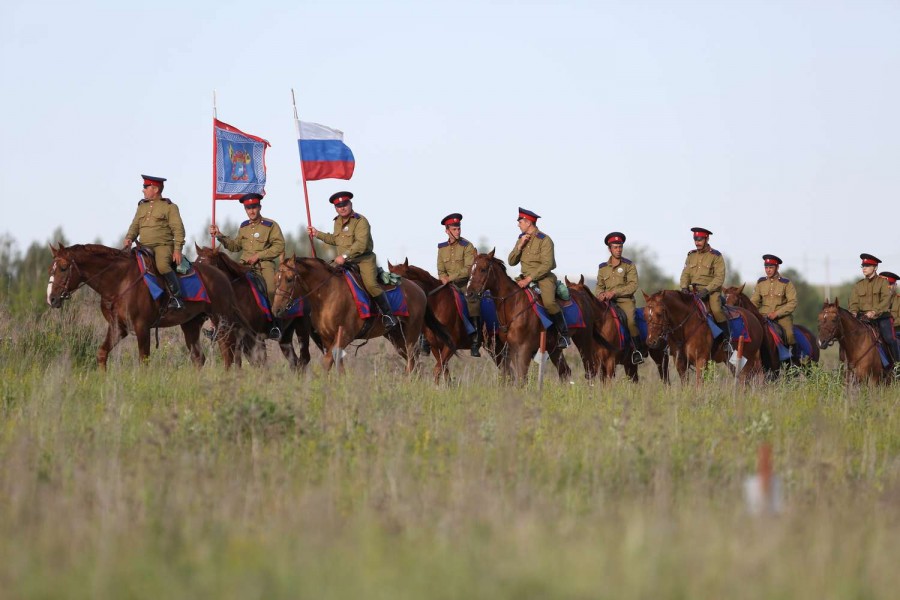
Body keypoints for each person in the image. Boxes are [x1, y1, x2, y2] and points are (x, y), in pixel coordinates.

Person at [309, 191, 398, 329]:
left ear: (350, 204)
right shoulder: (337, 222)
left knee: (370, 284)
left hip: (363, 260)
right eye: (339, 206)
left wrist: (344, 256)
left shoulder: (361, 221)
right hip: (345, 263)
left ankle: (388, 315)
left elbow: (361, 244)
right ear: (335, 208)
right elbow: (335, 239)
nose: (342, 208)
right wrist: (317, 234)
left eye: (345, 204)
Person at [210, 193, 286, 339]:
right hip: (243, 266)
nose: (251, 211)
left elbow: (279, 245)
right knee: (225, 286)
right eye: (248, 208)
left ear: (259, 207)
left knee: (271, 289)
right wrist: (220, 235)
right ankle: (218, 325)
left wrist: (259, 255)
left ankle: (275, 325)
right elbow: (235, 246)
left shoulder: (270, 225)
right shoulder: (243, 227)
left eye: (254, 207)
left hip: (264, 266)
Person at [507, 207, 570, 348]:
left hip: (544, 278)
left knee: (549, 303)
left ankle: (564, 335)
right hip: (522, 278)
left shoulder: (545, 240)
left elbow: (548, 264)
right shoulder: (521, 239)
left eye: (520, 222)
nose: (518, 224)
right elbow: (511, 262)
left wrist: (529, 279)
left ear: (528, 222)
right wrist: (520, 246)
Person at [123, 175, 185, 309]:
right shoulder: (142, 207)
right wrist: (129, 238)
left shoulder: (169, 207)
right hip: (143, 246)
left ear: (155, 189)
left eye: (145, 187)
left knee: (162, 266)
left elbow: (178, 229)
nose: (143, 190)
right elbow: (135, 226)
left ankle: (177, 297)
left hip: (162, 246)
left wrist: (177, 249)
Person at [594, 231, 644, 362]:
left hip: (624, 301)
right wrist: (600, 294)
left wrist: (614, 293)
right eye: (615, 247)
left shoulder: (629, 265)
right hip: (606, 303)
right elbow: (599, 285)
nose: (618, 250)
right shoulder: (602, 268)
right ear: (609, 249)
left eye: (620, 247)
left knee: (631, 322)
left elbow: (633, 285)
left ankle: (637, 350)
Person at [437, 213, 481, 356]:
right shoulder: (442, 248)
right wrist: (443, 278)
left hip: (463, 284)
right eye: (454, 229)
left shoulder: (467, 246)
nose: (457, 231)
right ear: (447, 230)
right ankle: (424, 338)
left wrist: (450, 278)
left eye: (458, 228)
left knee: (471, 301)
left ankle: (475, 339)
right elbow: (440, 268)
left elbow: (469, 268)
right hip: (446, 284)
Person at [848, 254, 896, 363]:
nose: (864, 268)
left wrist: (874, 311)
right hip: (863, 319)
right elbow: (853, 302)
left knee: (889, 339)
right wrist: (854, 311)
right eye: (863, 266)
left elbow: (886, 300)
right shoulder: (858, 285)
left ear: (875, 267)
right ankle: (848, 366)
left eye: (867, 265)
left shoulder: (883, 282)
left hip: (881, 318)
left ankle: (896, 367)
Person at [679, 226, 726, 332]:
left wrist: (706, 290)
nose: (697, 243)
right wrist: (684, 287)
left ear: (707, 239)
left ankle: (727, 339)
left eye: (700, 240)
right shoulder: (691, 255)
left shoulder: (716, 256)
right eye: (695, 240)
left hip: (711, 292)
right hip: (692, 291)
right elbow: (685, 274)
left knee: (717, 311)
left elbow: (719, 278)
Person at [750, 254, 798, 353]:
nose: (768, 270)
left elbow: (793, 302)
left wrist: (776, 314)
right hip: (763, 316)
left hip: (782, 317)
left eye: (771, 267)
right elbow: (754, 301)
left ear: (777, 267)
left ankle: (792, 358)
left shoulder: (786, 283)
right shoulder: (761, 282)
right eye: (766, 267)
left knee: (790, 335)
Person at [882, 271, 900, 359]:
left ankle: (897, 367)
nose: (887, 287)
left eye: (890, 284)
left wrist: (887, 324)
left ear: (895, 286)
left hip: (897, 332)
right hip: (878, 332)